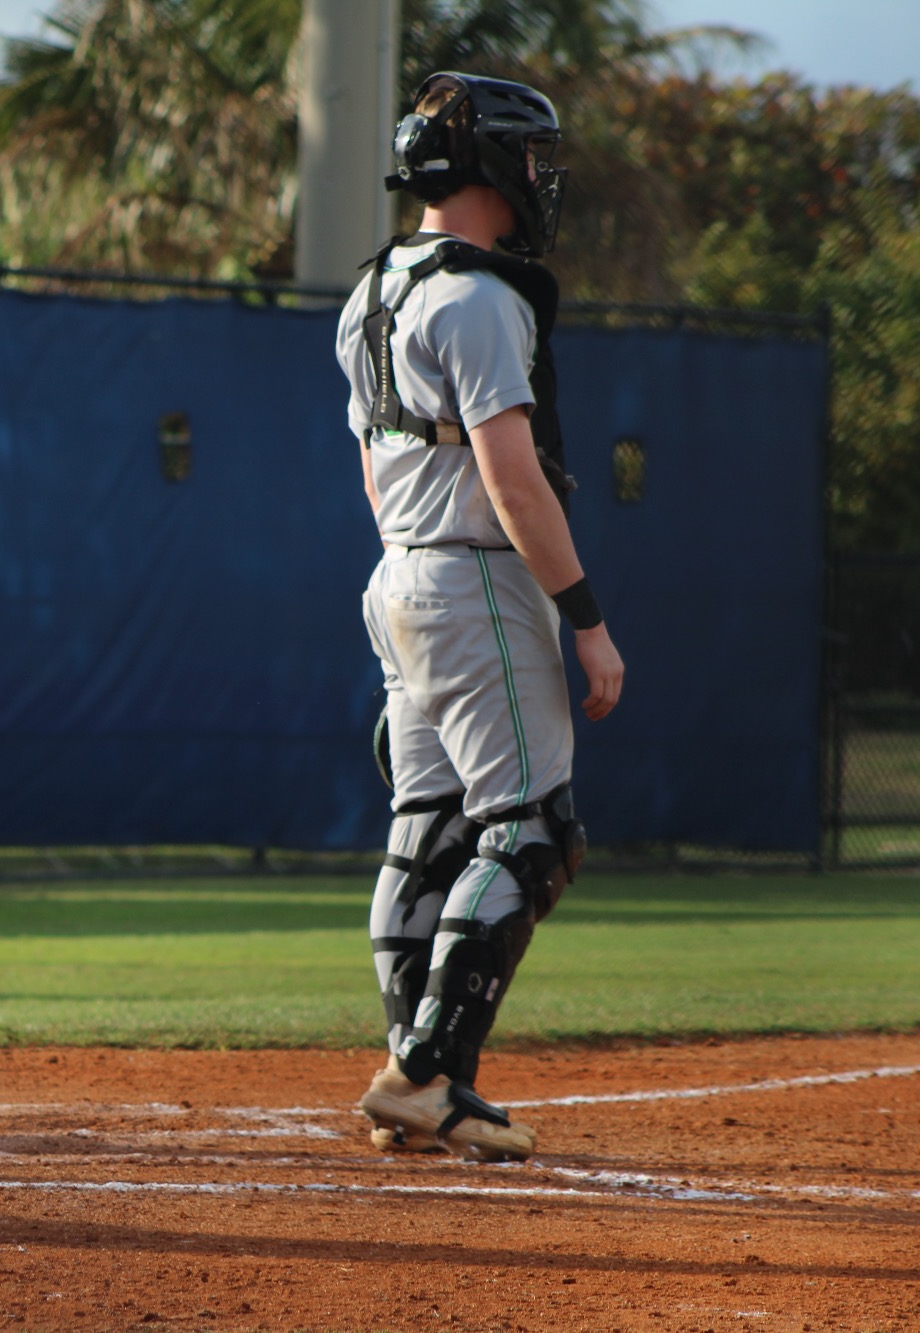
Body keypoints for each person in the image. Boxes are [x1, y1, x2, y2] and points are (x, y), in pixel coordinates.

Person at [335, 73, 625, 1162]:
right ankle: (422, 1073)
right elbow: (511, 477)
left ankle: (417, 1072)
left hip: (397, 574)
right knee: (532, 831)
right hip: (472, 580)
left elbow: (372, 474)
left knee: (428, 833)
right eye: (529, 159)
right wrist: (583, 617)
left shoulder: (371, 291)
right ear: (489, 168)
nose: (538, 180)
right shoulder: (478, 296)